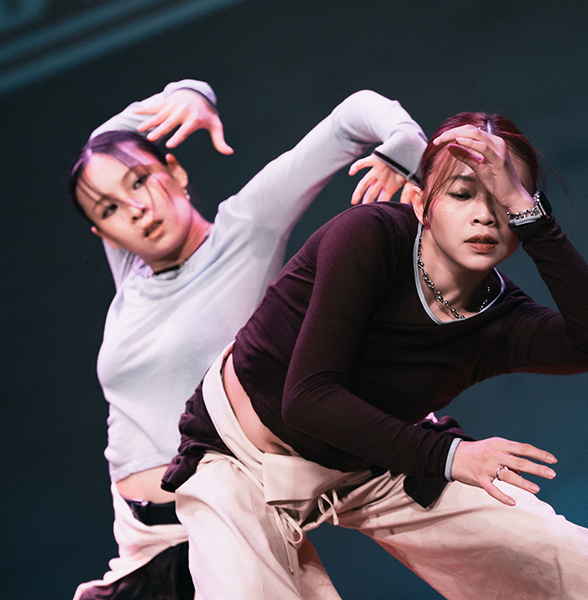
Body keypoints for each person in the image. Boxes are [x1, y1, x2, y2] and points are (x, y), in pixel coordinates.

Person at [161, 112, 588, 599]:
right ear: (420, 203)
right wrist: (452, 457)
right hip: (240, 460)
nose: (485, 215)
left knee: (566, 558)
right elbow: (308, 399)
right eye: (462, 193)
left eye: (504, 200)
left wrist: (533, 217)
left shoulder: (499, 317)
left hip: (378, 461)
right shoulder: (370, 237)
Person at [69, 79, 429, 600]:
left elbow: (354, 118)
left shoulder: (246, 226)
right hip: (145, 547)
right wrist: (184, 93)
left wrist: (408, 148)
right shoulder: (131, 270)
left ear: (175, 171)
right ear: (103, 234)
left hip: (235, 524)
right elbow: (100, 150)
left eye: (141, 181)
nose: (135, 208)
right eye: (109, 210)